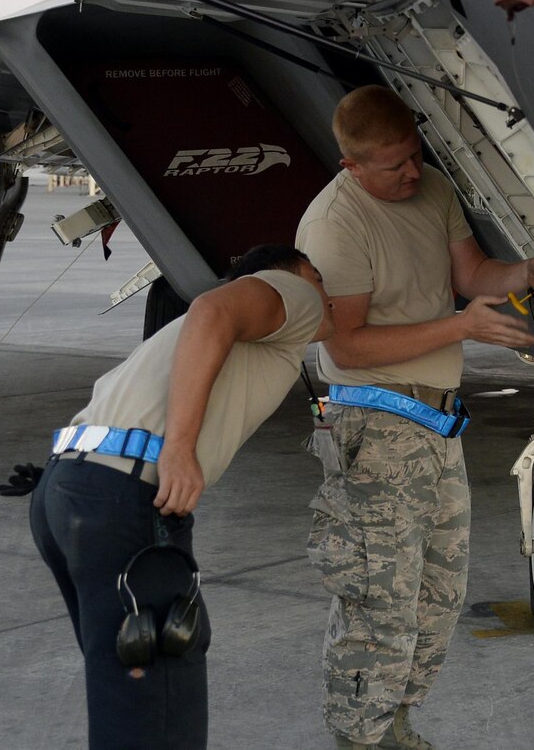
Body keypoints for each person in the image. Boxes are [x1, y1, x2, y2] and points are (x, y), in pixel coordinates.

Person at [297, 85, 534, 750]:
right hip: (373, 425)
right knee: (377, 600)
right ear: (351, 165)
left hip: (436, 424)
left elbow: (474, 273)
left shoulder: (433, 189)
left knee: (437, 592)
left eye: (415, 156)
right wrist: (459, 326)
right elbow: (345, 344)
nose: (412, 173)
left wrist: (523, 272)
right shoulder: (336, 221)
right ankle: (360, 736)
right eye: (394, 166)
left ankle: (398, 723)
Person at [29, 244, 334, 750]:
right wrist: (180, 448)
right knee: (159, 712)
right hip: (125, 496)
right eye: (320, 280)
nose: (328, 297)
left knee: (128, 700)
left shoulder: (219, 339)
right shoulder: (292, 292)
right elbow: (213, 309)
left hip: (69, 490)